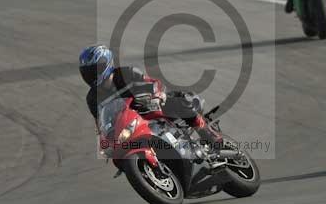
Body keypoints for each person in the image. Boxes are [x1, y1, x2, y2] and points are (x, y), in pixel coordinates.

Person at [79, 45, 222, 155]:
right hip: (127, 122)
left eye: (95, 70)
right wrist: (104, 142)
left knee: (179, 101)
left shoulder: (126, 73)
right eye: (88, 72)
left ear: (105, 64)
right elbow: (100, 123)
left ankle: (207, 134)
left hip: (150, 105)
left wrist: (159, 95)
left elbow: (154, 83)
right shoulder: (92, 98)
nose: (92, 75)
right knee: (116, 149)